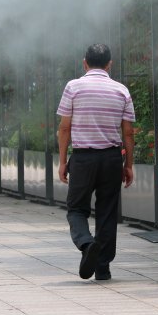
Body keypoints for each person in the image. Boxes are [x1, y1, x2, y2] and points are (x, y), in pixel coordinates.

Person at [57, 43, 135, 281]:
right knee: (107, 212)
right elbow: (128, 132)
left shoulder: (73, 87)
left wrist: (62, 161)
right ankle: (102, 268)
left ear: (85, 63)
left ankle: (86, 243)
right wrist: (128, 165)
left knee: (76, 209)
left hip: (83, 158)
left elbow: (64, 128)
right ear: (109, 64)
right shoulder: (121, 90)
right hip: (111, 158)